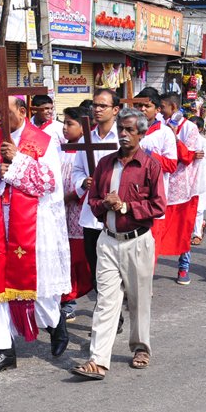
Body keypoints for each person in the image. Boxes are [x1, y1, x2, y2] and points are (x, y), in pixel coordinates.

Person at [0, 94, 69, 374]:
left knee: (36, 289)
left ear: (23, 111)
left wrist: (18, 161)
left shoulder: (43, 142)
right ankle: (2, 351)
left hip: (33, 226)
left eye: (4, 113)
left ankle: (55, 323)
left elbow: (49, 181)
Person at [70, 108, 166, 380]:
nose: (123, 135)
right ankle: (98, 360)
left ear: (142, 134)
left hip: (137, 241)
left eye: (130, 130)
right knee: (105, 301)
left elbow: (158, 206)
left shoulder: (150, 165)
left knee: (138, 301)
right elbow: (94, 200)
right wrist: (106, 205)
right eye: (121, 129)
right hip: (108, 240)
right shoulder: (106, 164)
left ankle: (140, 347)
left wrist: (125, 207)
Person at [72, 89, 120, 312]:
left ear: (115, 110)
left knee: (114, 268)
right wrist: (84, 182)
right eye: (95, 105)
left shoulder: (124, 138)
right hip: (92, 216)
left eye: (103, 106)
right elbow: (77, 170)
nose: (97, 109)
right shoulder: (86, 138)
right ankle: (106, 313)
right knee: (96, 268)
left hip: (116, 215)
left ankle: (112, 314)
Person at [158, 92, 204, 286]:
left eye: (163, 107)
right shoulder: (160, 126)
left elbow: (187, 157)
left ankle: (183, 267)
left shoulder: (190, 128)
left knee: (184, 230)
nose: (160, 110)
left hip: (184, 187)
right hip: (163, 185)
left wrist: (174, 137)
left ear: (173, 108)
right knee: (158, 229)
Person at [59, 106, 94, 321]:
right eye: (64, 123)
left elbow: (92, 180)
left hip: (81, 212)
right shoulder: (59, 149)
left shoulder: (88, 150)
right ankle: (67, 300)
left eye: (70, 124)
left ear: (84, 128)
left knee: (83, 260)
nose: (64, 128)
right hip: (60, 212)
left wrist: (75, 195)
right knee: (65, 259)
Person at [137, 92, 177, 254]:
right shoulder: (126, 130)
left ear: (157, 109)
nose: (142, 109)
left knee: (150, 247)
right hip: (130, 196)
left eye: (147, 106)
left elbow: (171, 165)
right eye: (139, 105)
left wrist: (147, 154)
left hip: (154, 195)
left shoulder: (164, 133)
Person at [190, 116, 206, 246]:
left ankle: (197, 233)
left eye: (194, 127)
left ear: (200, 129)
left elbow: (200, 161)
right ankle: (198, 226)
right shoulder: (183, 140)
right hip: (185, 179)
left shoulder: (203, 142)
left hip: (198, 178)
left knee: (198, 208)